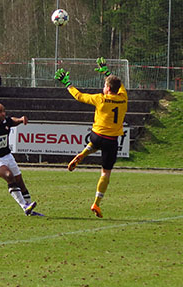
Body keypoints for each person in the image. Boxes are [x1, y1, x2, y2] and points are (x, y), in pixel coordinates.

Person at [54, 57, 128, 218]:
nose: (103, 87)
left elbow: (79, 96)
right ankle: (96, 203)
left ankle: (83, 154)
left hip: (96, 135)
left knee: (94, 143)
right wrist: (107, 72)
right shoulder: (123, 97)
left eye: (104, 85)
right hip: (111, 140)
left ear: (108, 88)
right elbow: (119, 85)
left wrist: (67, 83)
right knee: (105, 174)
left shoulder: (100, 99)